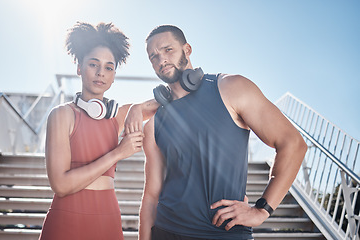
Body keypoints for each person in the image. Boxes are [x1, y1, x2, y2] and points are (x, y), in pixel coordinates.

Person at [138, 25, 308, 240]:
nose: (160, 59)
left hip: (225, 234)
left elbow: (293, 143)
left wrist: (262, 209)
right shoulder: (154, 123)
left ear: (187, 49)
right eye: (153, 56)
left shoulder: (231, 88)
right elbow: (151, 197)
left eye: (167, 50)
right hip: (167, 230)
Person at [38, 21, 157, 240]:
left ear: (114, 75)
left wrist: (137, 108)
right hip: (66, 220)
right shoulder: (62, 115)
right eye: (93, 64)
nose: (101, 73)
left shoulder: (116, 117)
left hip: (108, 218)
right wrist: (118, 153)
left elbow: (166, 101)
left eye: (109, 67)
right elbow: (61, 185)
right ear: (79, 67)